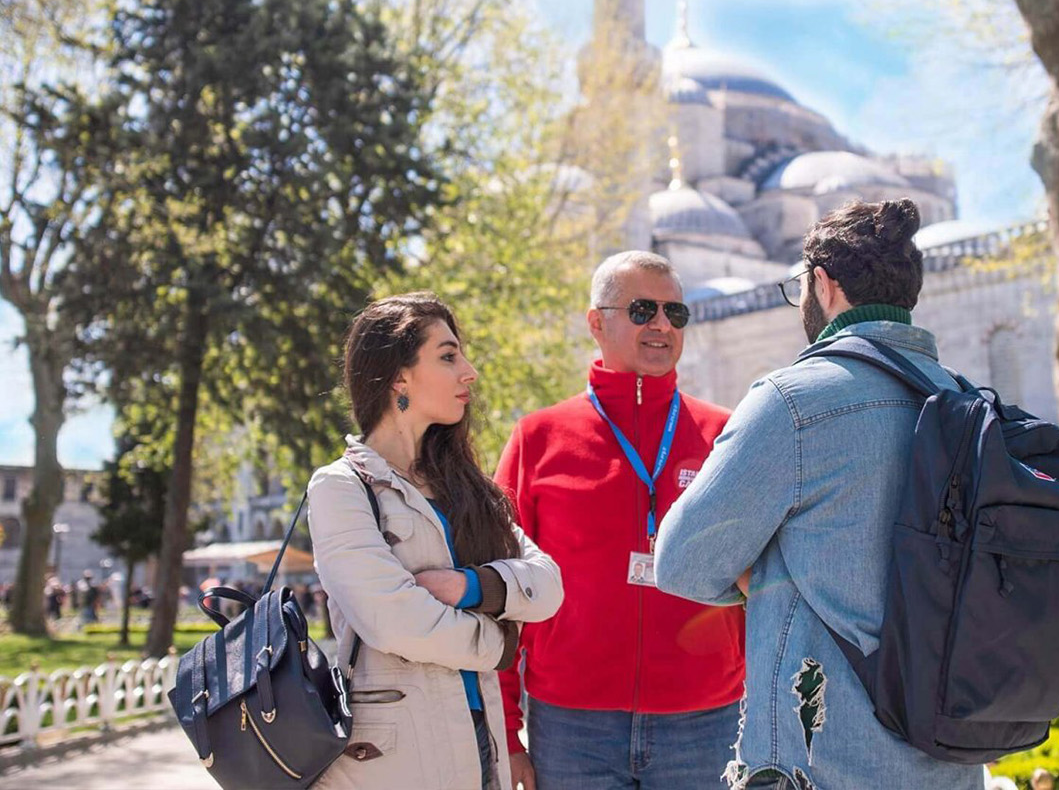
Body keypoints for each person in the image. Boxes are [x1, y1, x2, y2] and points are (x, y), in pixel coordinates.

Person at [655, 199, 983, 789]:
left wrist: (770, 569)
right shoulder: (970, 405)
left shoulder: (794, 402)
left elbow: (681, 562)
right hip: (948, 760)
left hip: (818, 762)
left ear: (823, 286)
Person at [495, 251, 745, 790]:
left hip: (707, 723)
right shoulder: (537, 439)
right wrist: (506, 732)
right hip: (570, 727)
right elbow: (503, 589)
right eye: (641, 309)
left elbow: (765, 577)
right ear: (596, 322)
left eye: (675, 313)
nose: (661, 325)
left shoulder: (728, 434)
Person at [308, 292, 564, 789]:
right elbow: (394, 622)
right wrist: (498, 641)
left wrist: (471, 587)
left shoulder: (467, 489)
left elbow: (549, 585)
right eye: (448, 356)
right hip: (393, 755)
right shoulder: (341, 487)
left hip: (479, 740)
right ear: (398, 376)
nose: (469, 372)